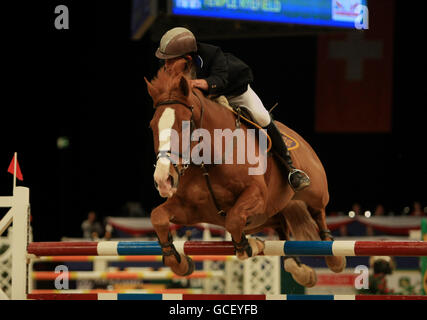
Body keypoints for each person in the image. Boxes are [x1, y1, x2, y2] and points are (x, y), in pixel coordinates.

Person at [154, 27, 310, 192]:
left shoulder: (213, 54)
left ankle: (291, 168)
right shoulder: (169, 66)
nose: (166, 65)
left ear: (187, 58)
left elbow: (219, 81)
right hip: (204, 100)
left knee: (262, 117)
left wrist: (193, 83)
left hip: (234, 92)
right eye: (165, 61)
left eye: (170, 61)